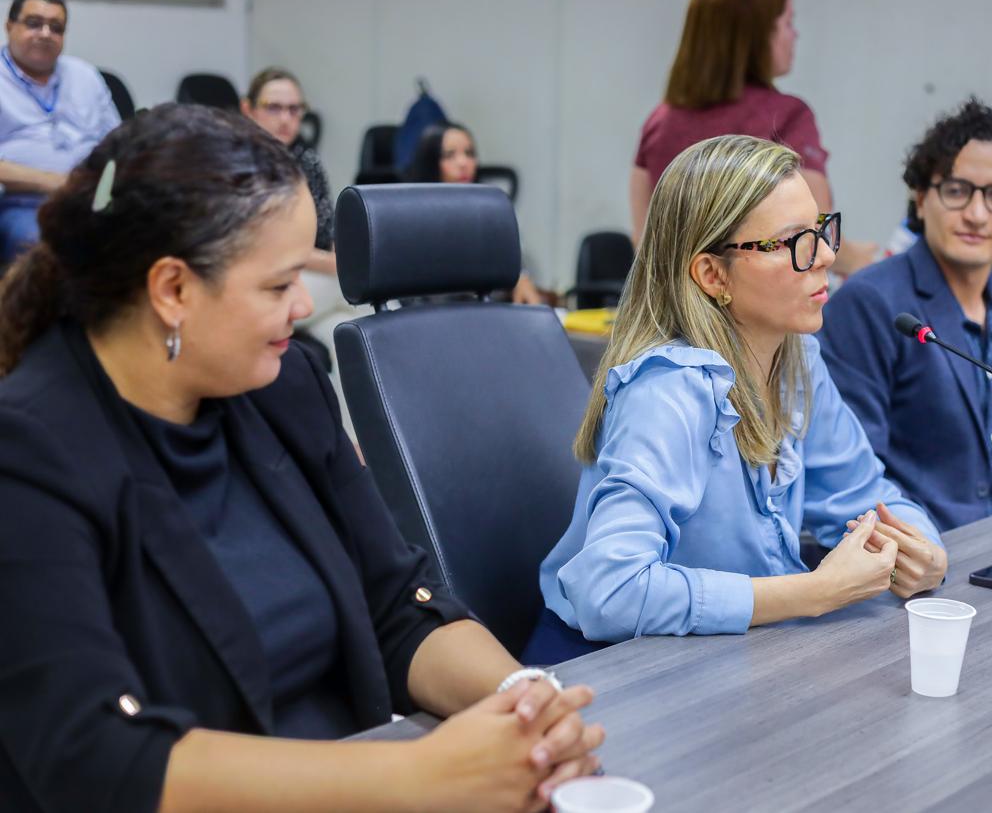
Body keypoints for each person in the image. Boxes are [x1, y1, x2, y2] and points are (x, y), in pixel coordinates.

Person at [0, 104, 602, 812]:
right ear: (173, 290)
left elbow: (398, 607)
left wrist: (523, 703)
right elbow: (97, 756)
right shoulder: (30, 451)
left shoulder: (281, 386)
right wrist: (417, 779)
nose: (301, 307)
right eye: (279, 284)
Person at [527, 134, 947, 665]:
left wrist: (925, 551)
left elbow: (867, 495)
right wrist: (810, 593)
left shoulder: (798, 359)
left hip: (727, 656)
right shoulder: (667, 390)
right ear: (713, 274)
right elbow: (609, 591)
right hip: (612, 670)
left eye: (821, 230)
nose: (825, 256)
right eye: (794, 241)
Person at [817, 98, 992, 532]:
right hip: (939, 550)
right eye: (957, 191)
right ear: (921, 199)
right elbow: (856, 477)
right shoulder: (871, 302)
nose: (976, 214)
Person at [628, 0, 874, 277]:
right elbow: (811, 241)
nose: (795, 35)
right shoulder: (788, 118)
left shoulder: (658, 124)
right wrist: (856, 259)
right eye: (788, 23)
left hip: (674, 311)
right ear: (758, 35)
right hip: (751, 317)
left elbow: (645, 245)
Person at [0, 0, 119, 265]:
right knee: (46, 244)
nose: (45, 33)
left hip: (91, 198)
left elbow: (118, 143)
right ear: (9, 26)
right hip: (23, 203)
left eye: (56, 28)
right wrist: (55, 182)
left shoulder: (85, 76)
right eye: (33, 23)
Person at [405, 120, 541, 304]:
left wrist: (522, 278)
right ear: (430, 162)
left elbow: (512, 263)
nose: (463, 163)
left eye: (469, 153)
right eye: (449, 155)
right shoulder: (413, 218)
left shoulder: (490, 211)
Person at [241, 67, 334, 275]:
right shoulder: (237, 162)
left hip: (319, 269)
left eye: (294, 109)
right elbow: (260, 244)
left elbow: (329, 229)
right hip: (269, 271)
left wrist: (343, 258)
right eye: (273, 107)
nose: (285, 119)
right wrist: (333, 265)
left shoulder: (308, 161)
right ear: (248, 109)